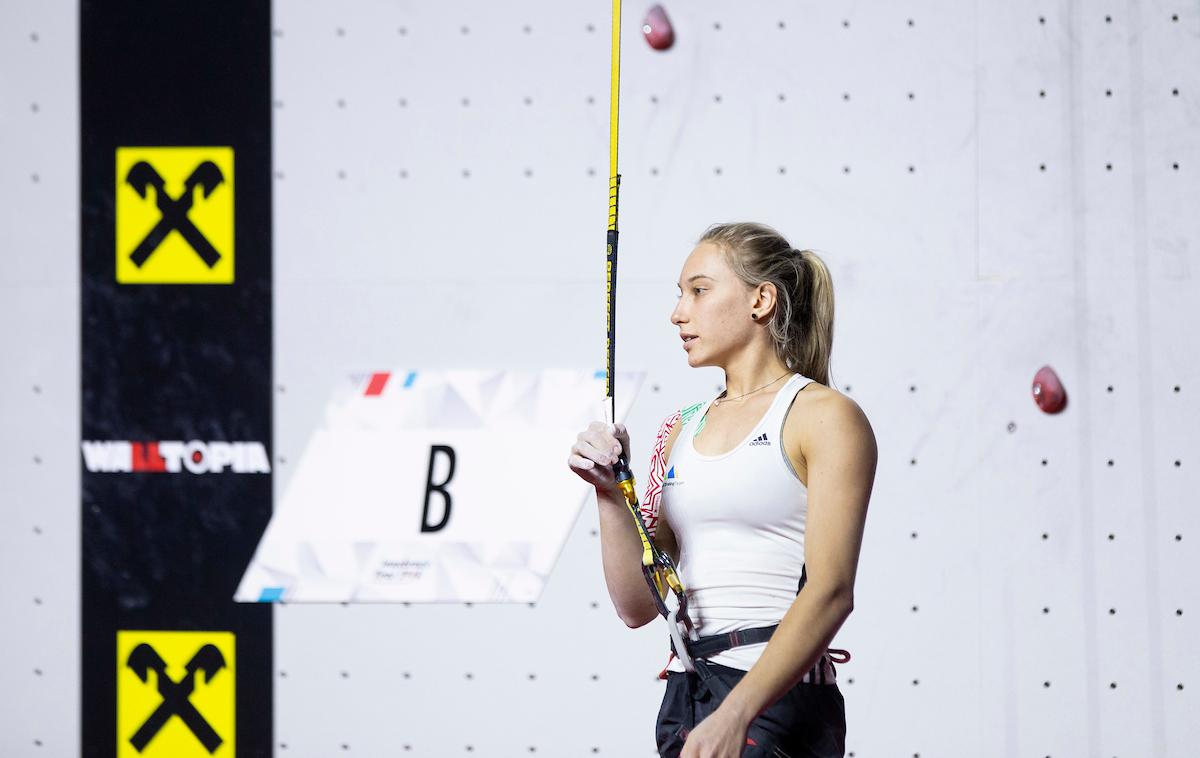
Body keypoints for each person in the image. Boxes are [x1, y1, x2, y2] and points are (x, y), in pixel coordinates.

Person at [568, 222, 877, 758]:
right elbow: (638, 606)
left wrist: (738, 714)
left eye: (699, 290)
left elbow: (831, 592)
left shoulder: (823, 416)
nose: (678, 312)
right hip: (688, 696)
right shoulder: (679, 428)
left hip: (774, 702)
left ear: (761, 300)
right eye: (679, 294)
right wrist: (607, 494)